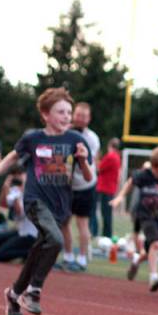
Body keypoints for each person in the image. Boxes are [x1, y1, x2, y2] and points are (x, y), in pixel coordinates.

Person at [0, 87, 92, 315]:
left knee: (39, 249)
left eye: (69, 112)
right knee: (56, 240)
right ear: (46, 115)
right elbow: (13, 156)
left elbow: (88, 177)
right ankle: (34, 291)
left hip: (60, 205)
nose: (67, 117)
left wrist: (82, 160)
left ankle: (14, 293)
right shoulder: (33, 138)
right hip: (35, 201)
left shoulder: (76, 140)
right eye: (61, 112)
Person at [111, 146, 158, 291]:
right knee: (155, 243)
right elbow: (131, 181)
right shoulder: (145, 175)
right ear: (155, 168)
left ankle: (137, 259)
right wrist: (120, 197)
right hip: (145, 216)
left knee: (153, 247)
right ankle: (154, 277)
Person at [60, 101, 99, 270]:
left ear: (89, 119)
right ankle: (68, 256)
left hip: (85, 185)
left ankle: (82, 259)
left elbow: (87, 162)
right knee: (64, 222)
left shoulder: (91, 138)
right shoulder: (64, 132)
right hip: (67, 186)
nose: (80, 118)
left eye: (84, 116)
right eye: (78, 115)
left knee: (82, 223)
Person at [0, 170, 37, 262]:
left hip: (30, 236)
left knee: (0, 255)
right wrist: (5, 186)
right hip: (20, 232)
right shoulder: (16, 191)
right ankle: (14, 247)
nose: (19, 178)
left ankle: (31, 252)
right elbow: (3, 204)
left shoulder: (32, 195)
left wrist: (17, 196)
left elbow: (20, 213)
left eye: (21, 176)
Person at [95, 138, 121, 239]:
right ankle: (107, 234)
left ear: (110, 145)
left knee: (105, 214)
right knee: (107, 214)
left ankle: (106, 235)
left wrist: (96, 159)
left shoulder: (110, 156)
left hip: (105, 188)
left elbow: (99, 168)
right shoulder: (117, 157)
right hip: (110, 188)